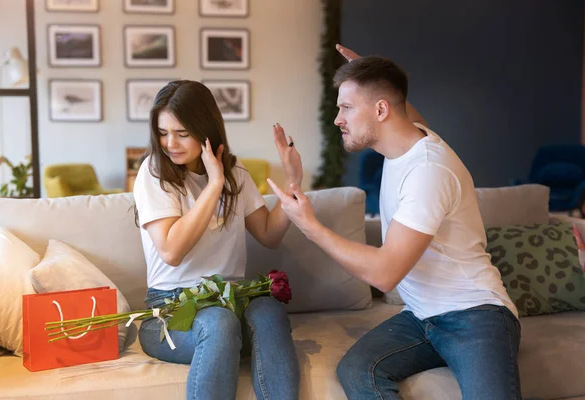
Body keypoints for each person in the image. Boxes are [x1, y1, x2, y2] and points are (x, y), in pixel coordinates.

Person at [267, 45, 522, 400]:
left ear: (381, 110)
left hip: (475, 315)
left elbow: (385, 274)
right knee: (358, 370)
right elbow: (404, 111)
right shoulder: (407, 139)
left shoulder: (428, 171)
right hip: (421, 318)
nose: (338, 119)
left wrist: (310, 225)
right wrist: (367, 74)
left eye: (346, 108)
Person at [132, 80, 301, 400]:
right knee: (219, 323)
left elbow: (269, 235)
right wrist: (214, 185)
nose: (170, 143)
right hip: (169, 314)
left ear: (206, 130)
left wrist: (292, 181)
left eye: (182, 133)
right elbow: (171, 250)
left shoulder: (236, 174)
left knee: (270, 312)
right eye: (163, 132)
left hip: (230, 300)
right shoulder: (154, 172)